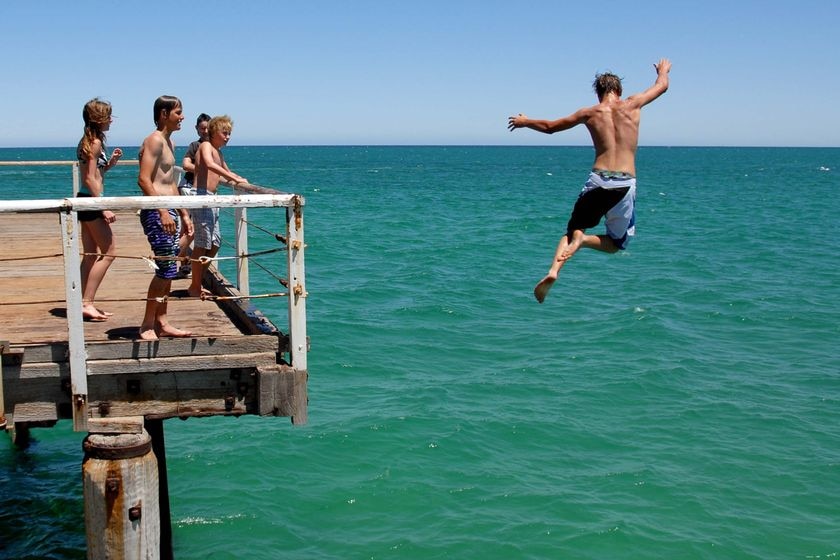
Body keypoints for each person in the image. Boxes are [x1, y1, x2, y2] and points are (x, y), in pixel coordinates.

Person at [508, 58, 671, 303]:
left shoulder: (590, 113)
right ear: (619, 91)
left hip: (598, 180)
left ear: (599, 94)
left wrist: (525, 121)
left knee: (571, 230)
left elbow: (551, 127)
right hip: (624, 184)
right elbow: (662, 86)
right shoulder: (633, 104)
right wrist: (663, 71)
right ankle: (583, 242)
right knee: (616, 244)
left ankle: (554, 270)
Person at [137, 95, 194, 340]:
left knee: (169, 268)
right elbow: (144, 179)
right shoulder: (154, 141)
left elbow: (170, 182)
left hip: (170, 210)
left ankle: (162, 321)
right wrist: (161, 210)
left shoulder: (169, 143)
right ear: (163, 114)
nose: (182, 117)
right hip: (157, 212)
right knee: (165, 269)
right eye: (178, 112)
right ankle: (147, 324)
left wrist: (183, 212)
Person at [188, 115, 248, 298]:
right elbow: (209, 164)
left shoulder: (218, 151)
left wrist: (239, 180)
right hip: (202, 197)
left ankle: (197, 279)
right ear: (214, 132)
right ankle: (195, 285)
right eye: (224, 133)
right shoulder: (205, 146)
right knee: (202, 244)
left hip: (212, 198)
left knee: (214, 244)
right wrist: (233, 178)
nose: (227, 137)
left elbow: (226, 172)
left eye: (229, 133)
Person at [76, 98, 123, 321]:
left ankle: (80, 302)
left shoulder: (90, 141)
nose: (112, 120)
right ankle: (87, 302)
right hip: (91, 202)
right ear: (99, 118)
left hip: (85, 200)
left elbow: (94, 173)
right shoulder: (94, 143)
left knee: (90, 255)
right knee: (109, 252)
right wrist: (102, 206)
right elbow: (88, 177)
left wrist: (110, 162)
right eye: (109, 116)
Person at [174, 113, 211, 278]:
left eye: (208, 128)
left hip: (201, 191)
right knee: (191, 230)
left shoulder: (213, 147)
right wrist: (201, 170)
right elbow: (185, 163)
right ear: (197, 129)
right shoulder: (196, 145)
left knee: (187, 229)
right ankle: (169, 258)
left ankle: (183, 265)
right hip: (189, 187)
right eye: (202, 128)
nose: (205, 131)